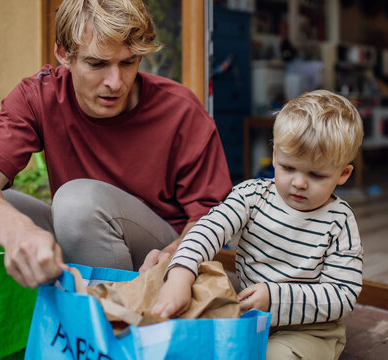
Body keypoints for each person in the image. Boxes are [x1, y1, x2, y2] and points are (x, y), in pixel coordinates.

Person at [0, 0, 232, 288]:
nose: (115, 82)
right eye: (97, 64)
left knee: (76, 202)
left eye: (128, 62)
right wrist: (16, 232)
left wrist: (175, 256)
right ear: (64, 53)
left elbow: (215, 219)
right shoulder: (40, 96)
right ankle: (12, 326)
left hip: (160, 256)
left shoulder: (180, 110)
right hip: (79, 231)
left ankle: (111, 328)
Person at [152, 89, 364, 360]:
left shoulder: (340, 222)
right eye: (289, 168)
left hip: (310, 330)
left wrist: (275, 298)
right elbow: (209, 228)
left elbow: (342, 296)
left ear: (343, 174)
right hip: (249, 315)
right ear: (275, 156)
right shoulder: (252, 196)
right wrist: (181, 272)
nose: (299, 182)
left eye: (316, 174)